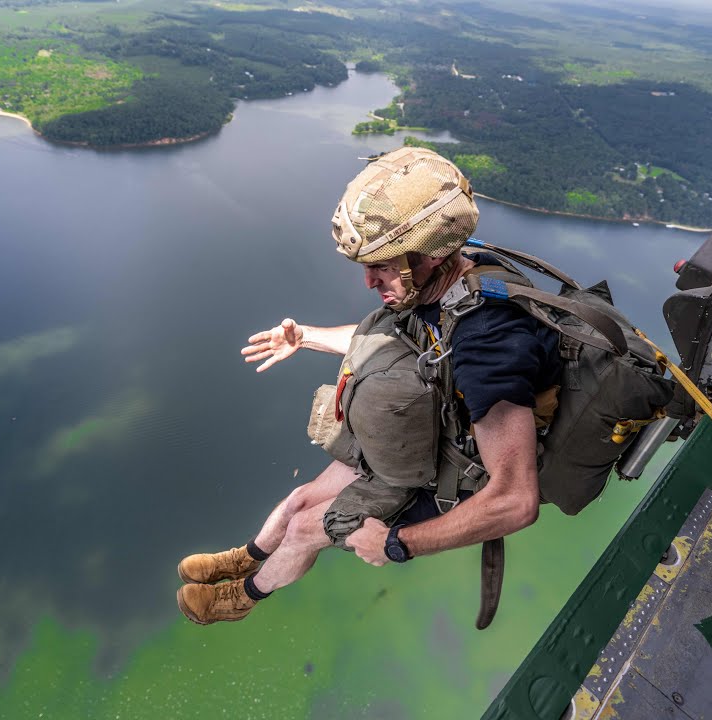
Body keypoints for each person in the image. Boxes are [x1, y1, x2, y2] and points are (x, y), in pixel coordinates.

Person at [175, 147, 564, 625]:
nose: (367, 281)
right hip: (417, 432)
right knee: (299, 500)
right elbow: (392, 344)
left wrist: (398, 544)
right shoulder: (451, 282)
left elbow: (515, 499)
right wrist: (306, 338)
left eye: (380, 266)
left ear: (428, 254)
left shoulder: (489, 342)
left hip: (443, 470)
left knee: (302, 529)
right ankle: (246, 557)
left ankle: (241, 597)